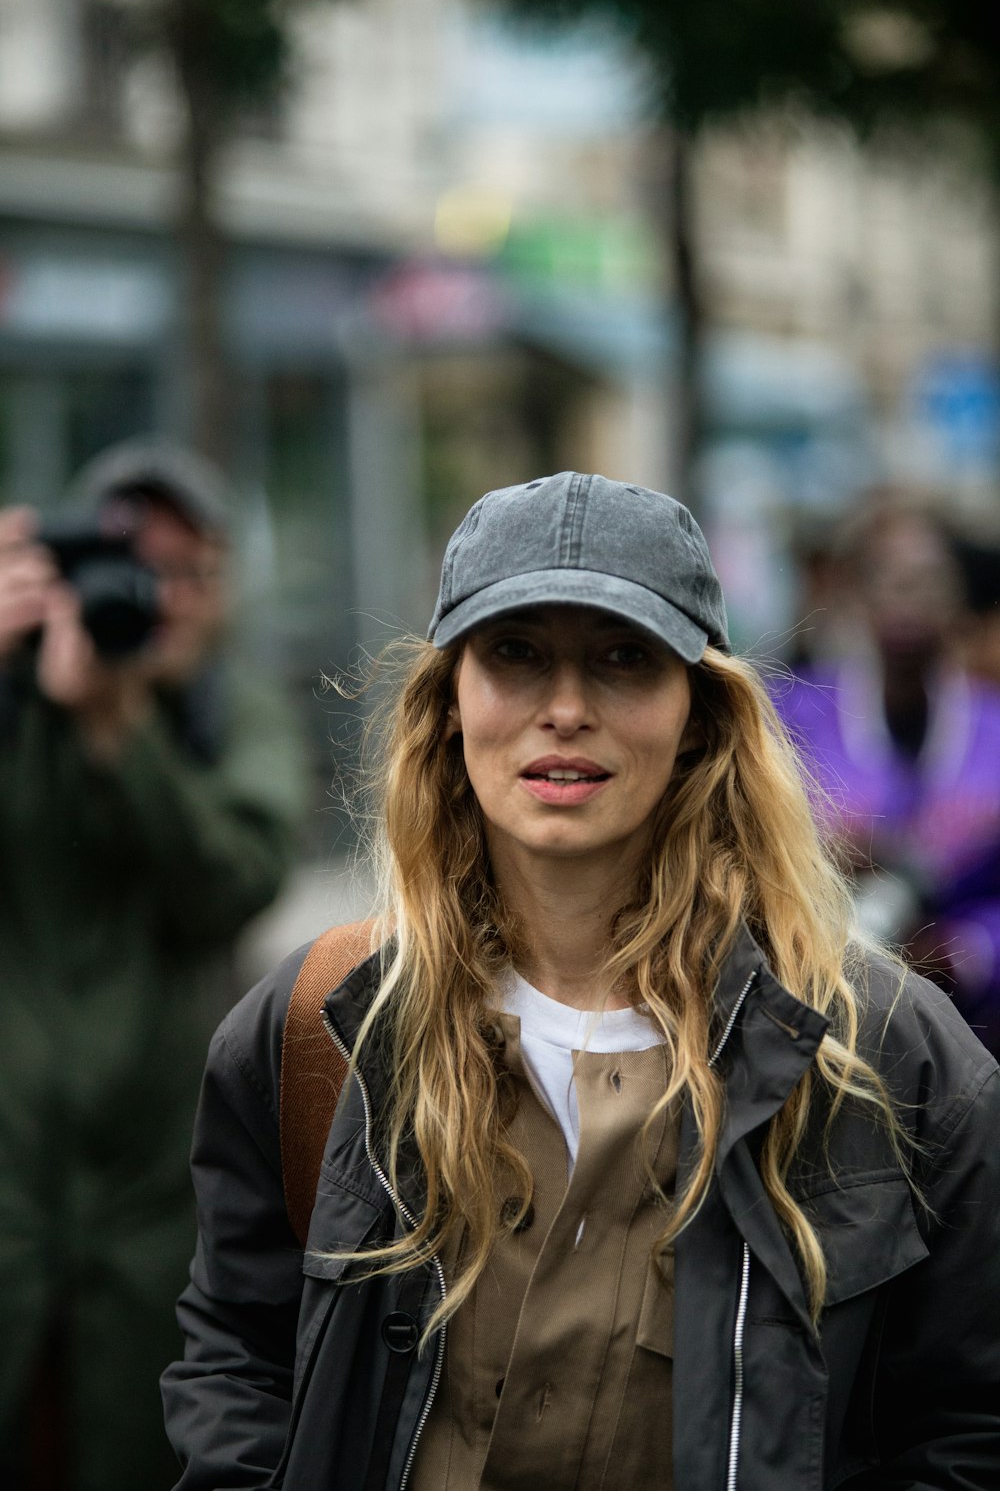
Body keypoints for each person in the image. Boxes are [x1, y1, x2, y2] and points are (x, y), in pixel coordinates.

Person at [162, 472, 1000, 1491]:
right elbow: (239, 1361)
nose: (564, 709)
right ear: (449, 698)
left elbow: (965, 1427)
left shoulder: (886, 1058)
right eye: (515, 654)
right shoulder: (321, 1030)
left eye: (622, 660)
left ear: (698, 711)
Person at [0, 439, 306, 1491]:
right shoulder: (12, 698)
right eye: (136, 565)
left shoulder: (235, 715)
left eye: (191, 573)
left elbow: (237, 879)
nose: (162, 598)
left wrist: (120, 732)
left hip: (156, 1212)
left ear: (223, 593)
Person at [775, 497, 1000, 1057]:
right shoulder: (792, 714)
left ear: (957, 596)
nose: (908, 598)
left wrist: (967, 950)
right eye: (888, 578)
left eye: (927, 579)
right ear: (854, 594)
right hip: (826, 1016)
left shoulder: (994, 725)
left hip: (977, 1030)